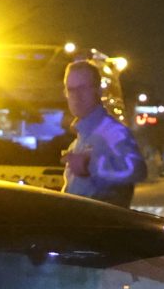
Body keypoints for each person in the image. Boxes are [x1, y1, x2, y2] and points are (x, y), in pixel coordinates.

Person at [60, 58, 143, 208]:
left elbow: (136, 169)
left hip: (102, 228)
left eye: (83, 88)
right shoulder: (78, 141)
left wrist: (90, 166)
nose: (76, 96)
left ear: (98, 91)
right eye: (71, 90)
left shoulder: (113, 131)